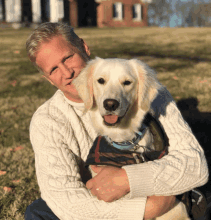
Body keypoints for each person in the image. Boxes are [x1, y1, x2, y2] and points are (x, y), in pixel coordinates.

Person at [25, 22, 208, 220]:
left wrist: (127, 180)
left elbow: (196, 167)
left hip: (155, 193)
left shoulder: (147, 90)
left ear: (84, 48)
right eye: (54, 69)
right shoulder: (47, 121)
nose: (67, 73)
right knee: (39, 211)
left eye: (68, 58)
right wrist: (147, 210)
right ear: (49, 79)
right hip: (110, 202)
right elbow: (66, 201)